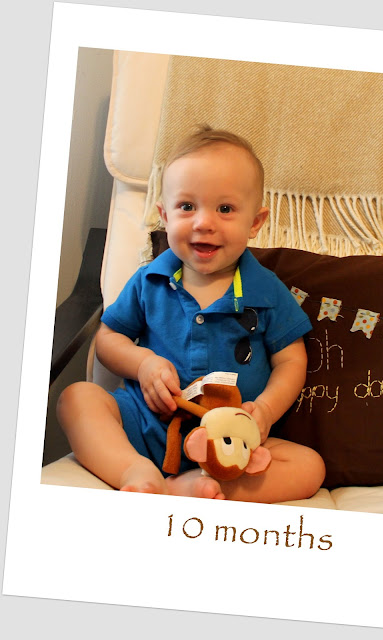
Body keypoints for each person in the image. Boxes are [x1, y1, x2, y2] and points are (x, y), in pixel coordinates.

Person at [57, 125, 325, 503]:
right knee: (77, 397)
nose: (203, 222)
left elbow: (291, 360)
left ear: (255, 223)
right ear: (165, 216)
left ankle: (202, 488)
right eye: (187, 206)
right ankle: (132, 470)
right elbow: (109, 339)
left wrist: (264, 410)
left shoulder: (266, 291)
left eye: (225, 209)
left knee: (309, 466)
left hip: (230, 442)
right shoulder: (150, 280)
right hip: (144, 423)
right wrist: (143, 364)